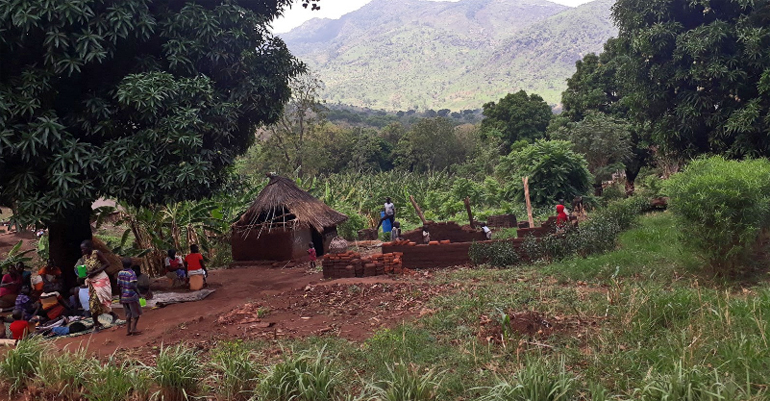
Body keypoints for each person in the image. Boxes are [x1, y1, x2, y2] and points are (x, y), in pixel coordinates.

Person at [80, 240, 119, 331]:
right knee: (97, 302)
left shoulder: (97, 253)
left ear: (89, 247)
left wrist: (95, 272)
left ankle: (96, 325)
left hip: (101, 279)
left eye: (84, 249)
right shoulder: (85, 257)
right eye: (81, 249)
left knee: (95, 302)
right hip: (92, 280)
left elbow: (107, 264)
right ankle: (112, 316)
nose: (82, 251)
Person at [118, 258, 142, 336]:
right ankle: (133, 328)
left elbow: (118, 285)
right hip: (132, 296)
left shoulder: (120, 273)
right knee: (136, 314)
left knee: (128, 314)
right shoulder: (132, 273)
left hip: (124, 296)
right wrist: (138, 293)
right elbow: (132, 285)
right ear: (131, 264)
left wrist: (120, 297)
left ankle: (128, 330)